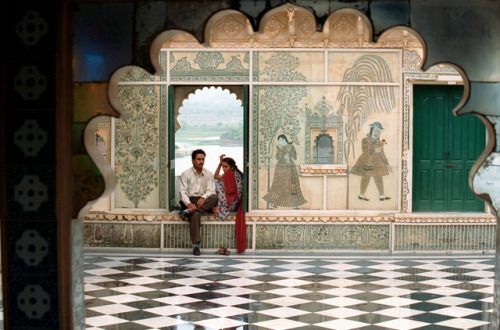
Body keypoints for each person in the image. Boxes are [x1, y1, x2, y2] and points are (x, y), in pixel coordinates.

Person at [179, 149, 218, 255]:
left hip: (203, 201)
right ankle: (196, 245)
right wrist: (189, 204)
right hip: (189, 200)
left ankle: (187, 212)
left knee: (214, 198)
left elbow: (211, 190)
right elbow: (182, 192)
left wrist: (203, 198)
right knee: (195, 214)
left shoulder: (208, 173)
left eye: (203, 159)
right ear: (192, 161)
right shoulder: (186, 174)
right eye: (198, 159)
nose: (201, 161)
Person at [350, 122, 393, 201]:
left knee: (379, 178)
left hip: (377, 162)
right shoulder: (365, 140)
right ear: (372, 130)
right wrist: (374, 151)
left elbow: (382, 154)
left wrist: (387, 165)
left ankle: (382, 195)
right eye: (376, 131)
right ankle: (361, 194)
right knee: (366, 177)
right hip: (367, 161)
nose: (377, 133)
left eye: (379, 131)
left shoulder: (379, 142)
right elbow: (365, 152)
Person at [212, 154, 246, 253]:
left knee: (216, 181)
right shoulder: (238, 174)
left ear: (231, 167)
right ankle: (221, 208)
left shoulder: (227, 175)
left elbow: (215, 176)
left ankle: (220, 209)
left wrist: (219, 164)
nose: (223, 169)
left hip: (229, 204)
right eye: (222, 166)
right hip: (236, 203)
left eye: (225, 167)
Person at [263, 134, 307, 208]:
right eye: (279, 141)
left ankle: (294, 204)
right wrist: (282, 153)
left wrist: (288, 153)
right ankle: (275, 203)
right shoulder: (279, 147)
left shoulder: (291, 147)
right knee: (279, 185)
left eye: (282, 140)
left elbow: (295, 157)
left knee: (292, 185)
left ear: (285, 139)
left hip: (290, 167)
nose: (281, 142)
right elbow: (277, 157)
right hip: (280, 168)